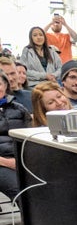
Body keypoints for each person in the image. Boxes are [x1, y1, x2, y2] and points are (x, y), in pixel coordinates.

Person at [0, 69, 32, 201]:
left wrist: (22, 160)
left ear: (5, 86)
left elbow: (31, 138)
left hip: (23, 159)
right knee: (22, 192)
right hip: (2, 163)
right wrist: (8, 162)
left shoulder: (19, 109)